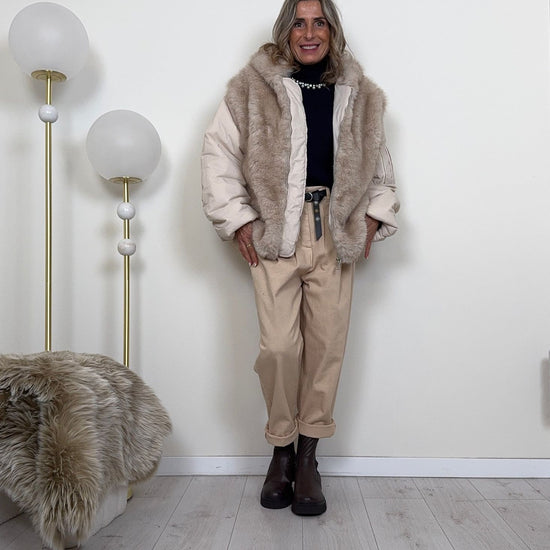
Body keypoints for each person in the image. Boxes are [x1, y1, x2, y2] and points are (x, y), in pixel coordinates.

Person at [201, 0, 398, 516]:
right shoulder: (251, 87)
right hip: (276, 231)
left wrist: (373, 216)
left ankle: (308, 457)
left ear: (332, 30)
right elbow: (218, 153)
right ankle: (280, 449)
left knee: (326, 346)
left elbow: (381, 168)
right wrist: (238, 219)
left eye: (319, 22)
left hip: (334, 228)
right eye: (299, 23)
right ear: (285, 30)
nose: (309, 33)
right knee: (279, 348)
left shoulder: (361, 95)